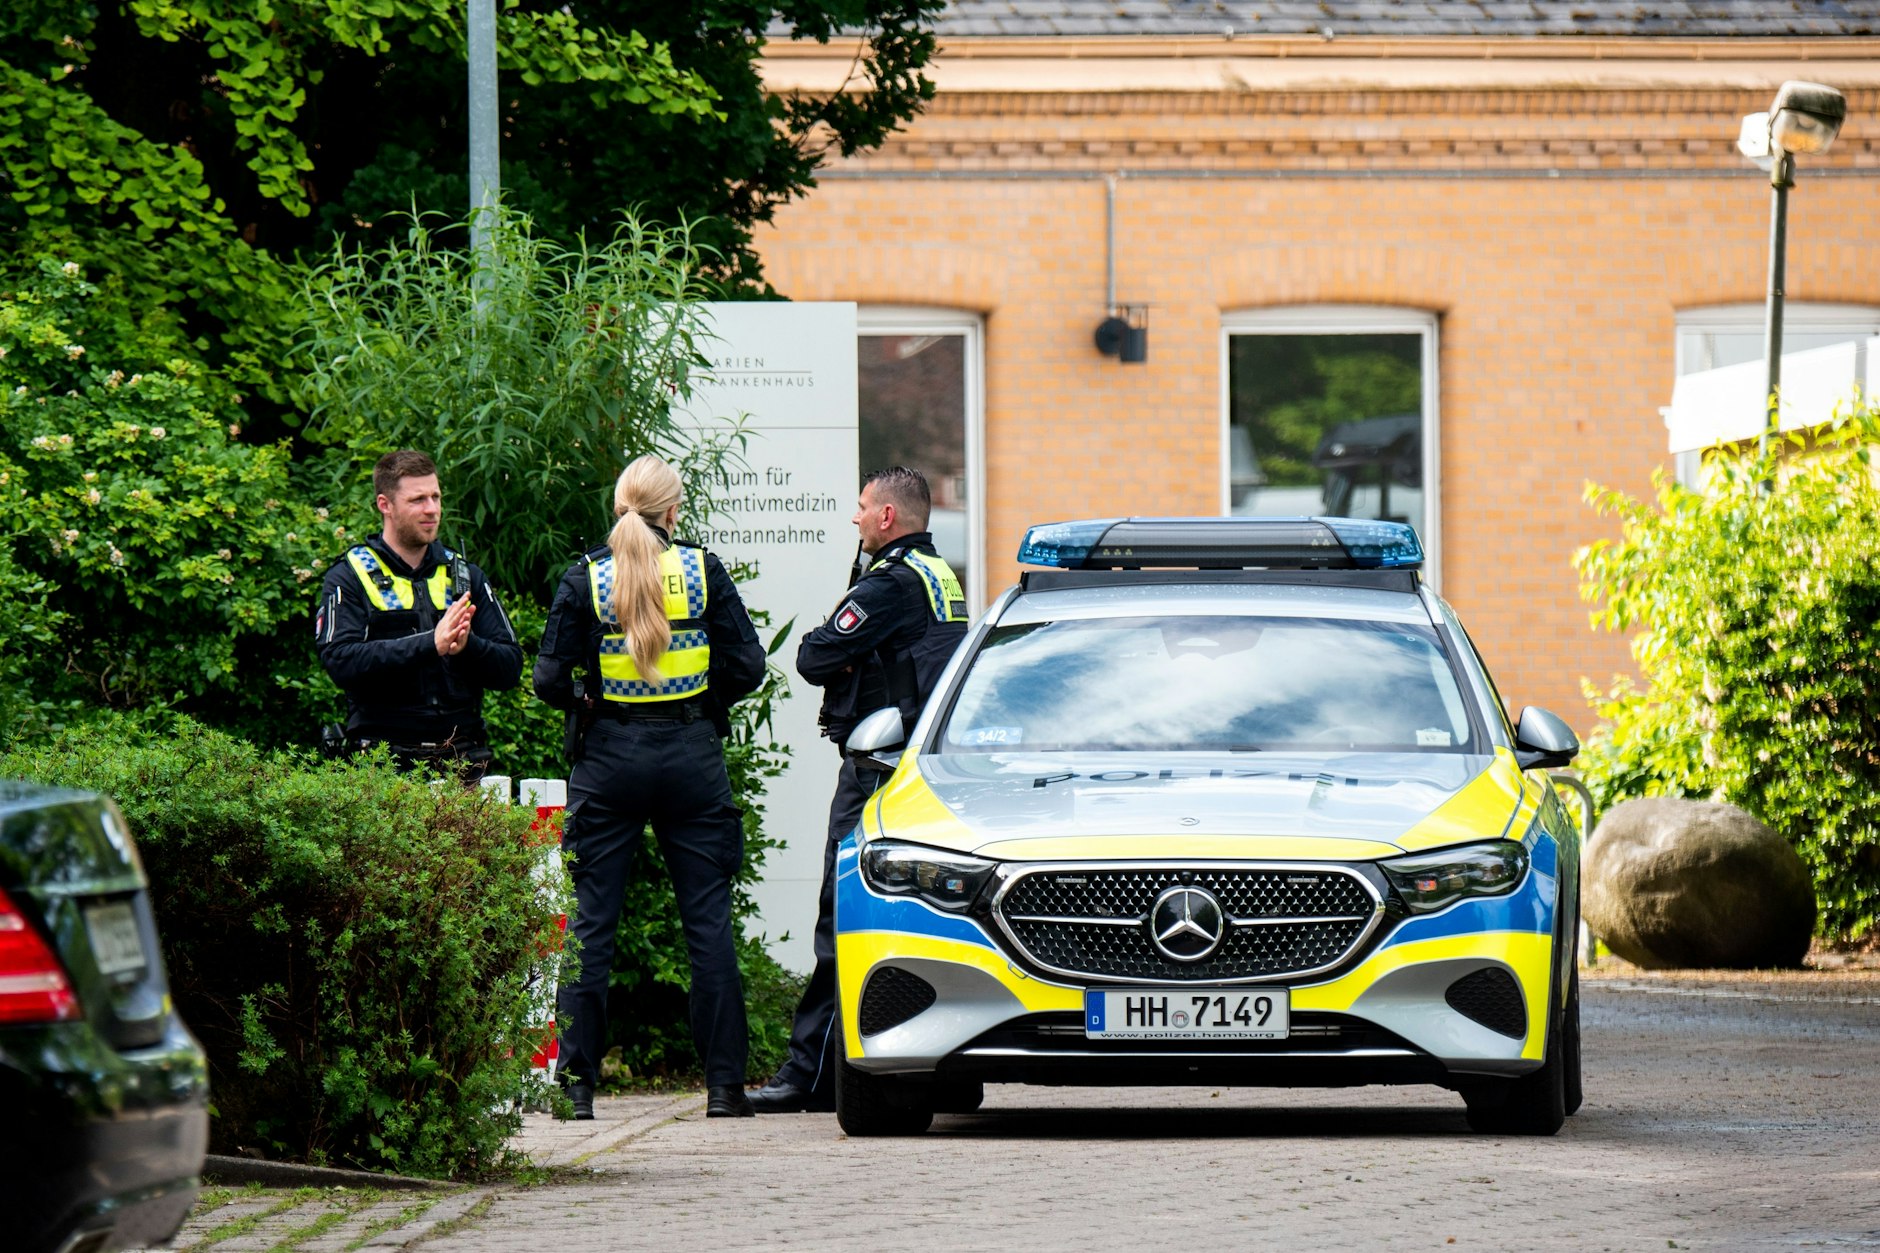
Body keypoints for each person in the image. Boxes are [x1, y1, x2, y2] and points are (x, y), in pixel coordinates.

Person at [533, 455, 768, 1120]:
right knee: (709, 925)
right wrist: (701, 700)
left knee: (591, 926)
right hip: (691, 756)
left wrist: (591, 700)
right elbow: (749, 664)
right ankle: (725, 1088)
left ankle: (576, 1089)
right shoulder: (702, 570)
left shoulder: (584, 576)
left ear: (619, 508)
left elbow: (548, 680)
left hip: (608, 759)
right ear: (673, 512)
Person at [749, 466, 969, 1113]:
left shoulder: (892, 583)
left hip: (875, 771)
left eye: (862, 507)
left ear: (887, 518)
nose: (855, 517)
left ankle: (807, 1075)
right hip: (918, 768)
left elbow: (814, 655)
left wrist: (843, 652)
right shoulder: (939, 573)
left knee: (839, 914)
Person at [315, 449, 522, 781]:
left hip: (463, 760)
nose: (432, 509)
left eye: (436, 497)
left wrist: (468, 647)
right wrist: (430, 643)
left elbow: (511, 668)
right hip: (382, 765)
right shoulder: (349, 575)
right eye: (418, 500)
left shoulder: (465, 574)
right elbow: (339, 661)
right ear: (386, 505)